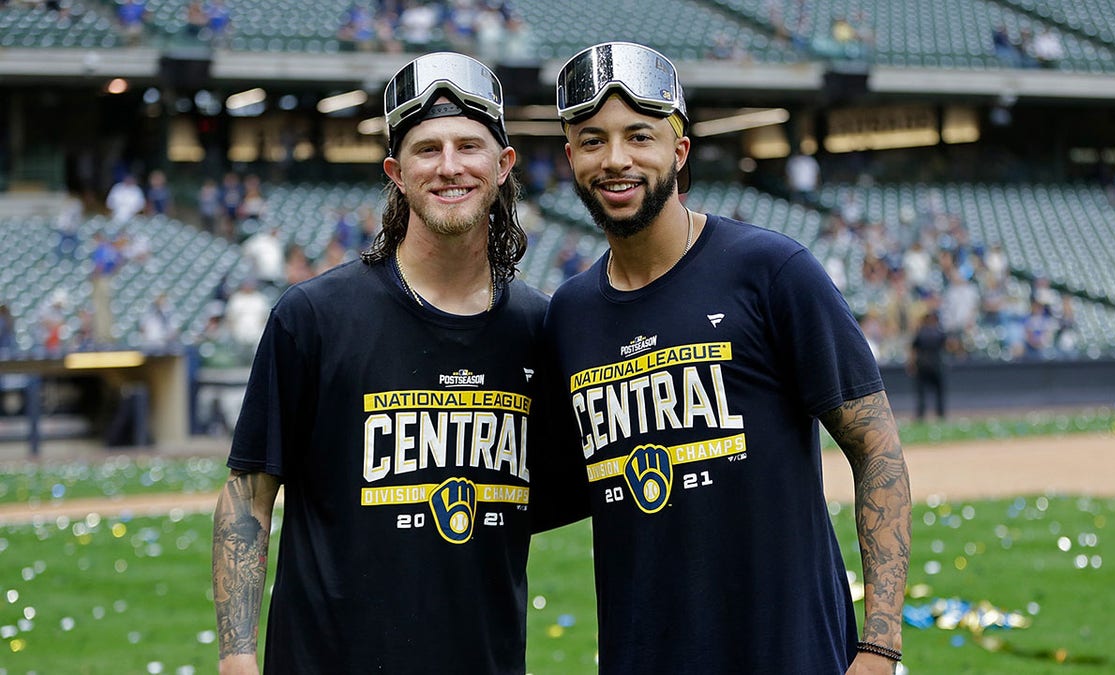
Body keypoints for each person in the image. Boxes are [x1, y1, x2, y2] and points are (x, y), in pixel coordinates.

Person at [543, 42, 911, 674]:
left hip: (790, 654)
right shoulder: (569, 314)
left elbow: (876, 447)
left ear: (678, 152)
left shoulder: (772, 270)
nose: (617, 159)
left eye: (640, 136)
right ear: (571, 157)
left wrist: (878, 647)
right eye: (593, 139)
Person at [211, 52, 578, 675]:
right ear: (396, 173)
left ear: (503, 165)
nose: (450, 166)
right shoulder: (314, 316)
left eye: (469, 146)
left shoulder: (541, 328)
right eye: (427, 149)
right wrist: (237, 657)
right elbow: (248, 494)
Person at [908, 309, 948, 420]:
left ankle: (921, 414)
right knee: (938, 392)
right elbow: (949, 346)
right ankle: (940, 414)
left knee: (922, 392)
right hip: (935, 364)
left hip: (923, 364)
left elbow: (913, 350)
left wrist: (911, 364)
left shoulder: (921, 332)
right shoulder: (939, 332)